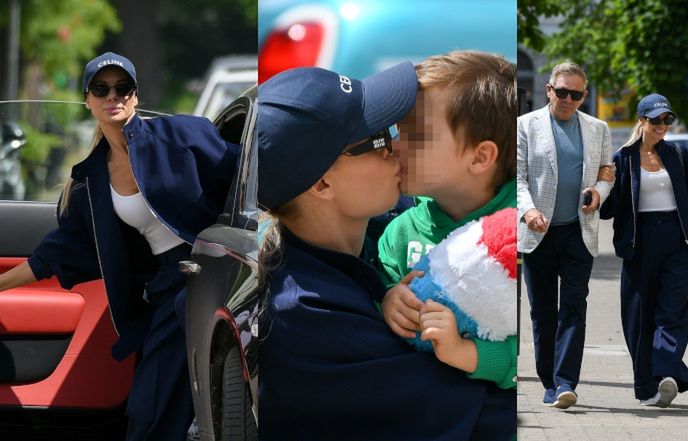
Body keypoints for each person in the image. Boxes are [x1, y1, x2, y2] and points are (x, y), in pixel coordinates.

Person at [256, 63, 515, 441]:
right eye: (377, 138)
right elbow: (483, 415)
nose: (394, 145)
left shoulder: (362, 248)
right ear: (323, 182)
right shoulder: (306, 316)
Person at [0, 52, 239, 440]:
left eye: (122, 88)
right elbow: (56, 253)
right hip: (169, 285)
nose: (113, 96)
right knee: (147, 407)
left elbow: (244, 174)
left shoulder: (181, 135)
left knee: (171, 406)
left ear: (135, 97)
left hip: (217, 266)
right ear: (88, 100)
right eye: (101, 88)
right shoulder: (91, 179)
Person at [376, 51, 517, 389]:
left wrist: (467, 351)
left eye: (416, 135)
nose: (395, 146)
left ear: (480, 156)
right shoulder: (400, 231)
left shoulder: (521, 230)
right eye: (398, 131)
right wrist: (386, 300)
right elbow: (375, 300)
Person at [600, 93, 688, 407]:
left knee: (672, 310)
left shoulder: (679, 155)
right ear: (641, 120)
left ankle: (666, 372)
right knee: (638, 318)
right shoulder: (622, 158)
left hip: (676, 241)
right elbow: (607, 211)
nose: (662, 125)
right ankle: (648, 386)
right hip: (638, 243)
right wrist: (605, 184)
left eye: (667, 119)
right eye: (655, 120)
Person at [517, 61, 615, 409]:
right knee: (542, 311)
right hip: (538, 233)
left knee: (574, 307)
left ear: (584, 96)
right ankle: (547, 380)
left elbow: (607, 172)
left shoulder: (597, 128)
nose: (568, 99)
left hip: (579, 232)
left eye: (576, 94)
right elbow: (517, 178)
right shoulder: (525, 126)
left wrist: (599, 193)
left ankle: (565, 382)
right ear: (549, 90)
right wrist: (528, 211)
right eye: (562, 92)